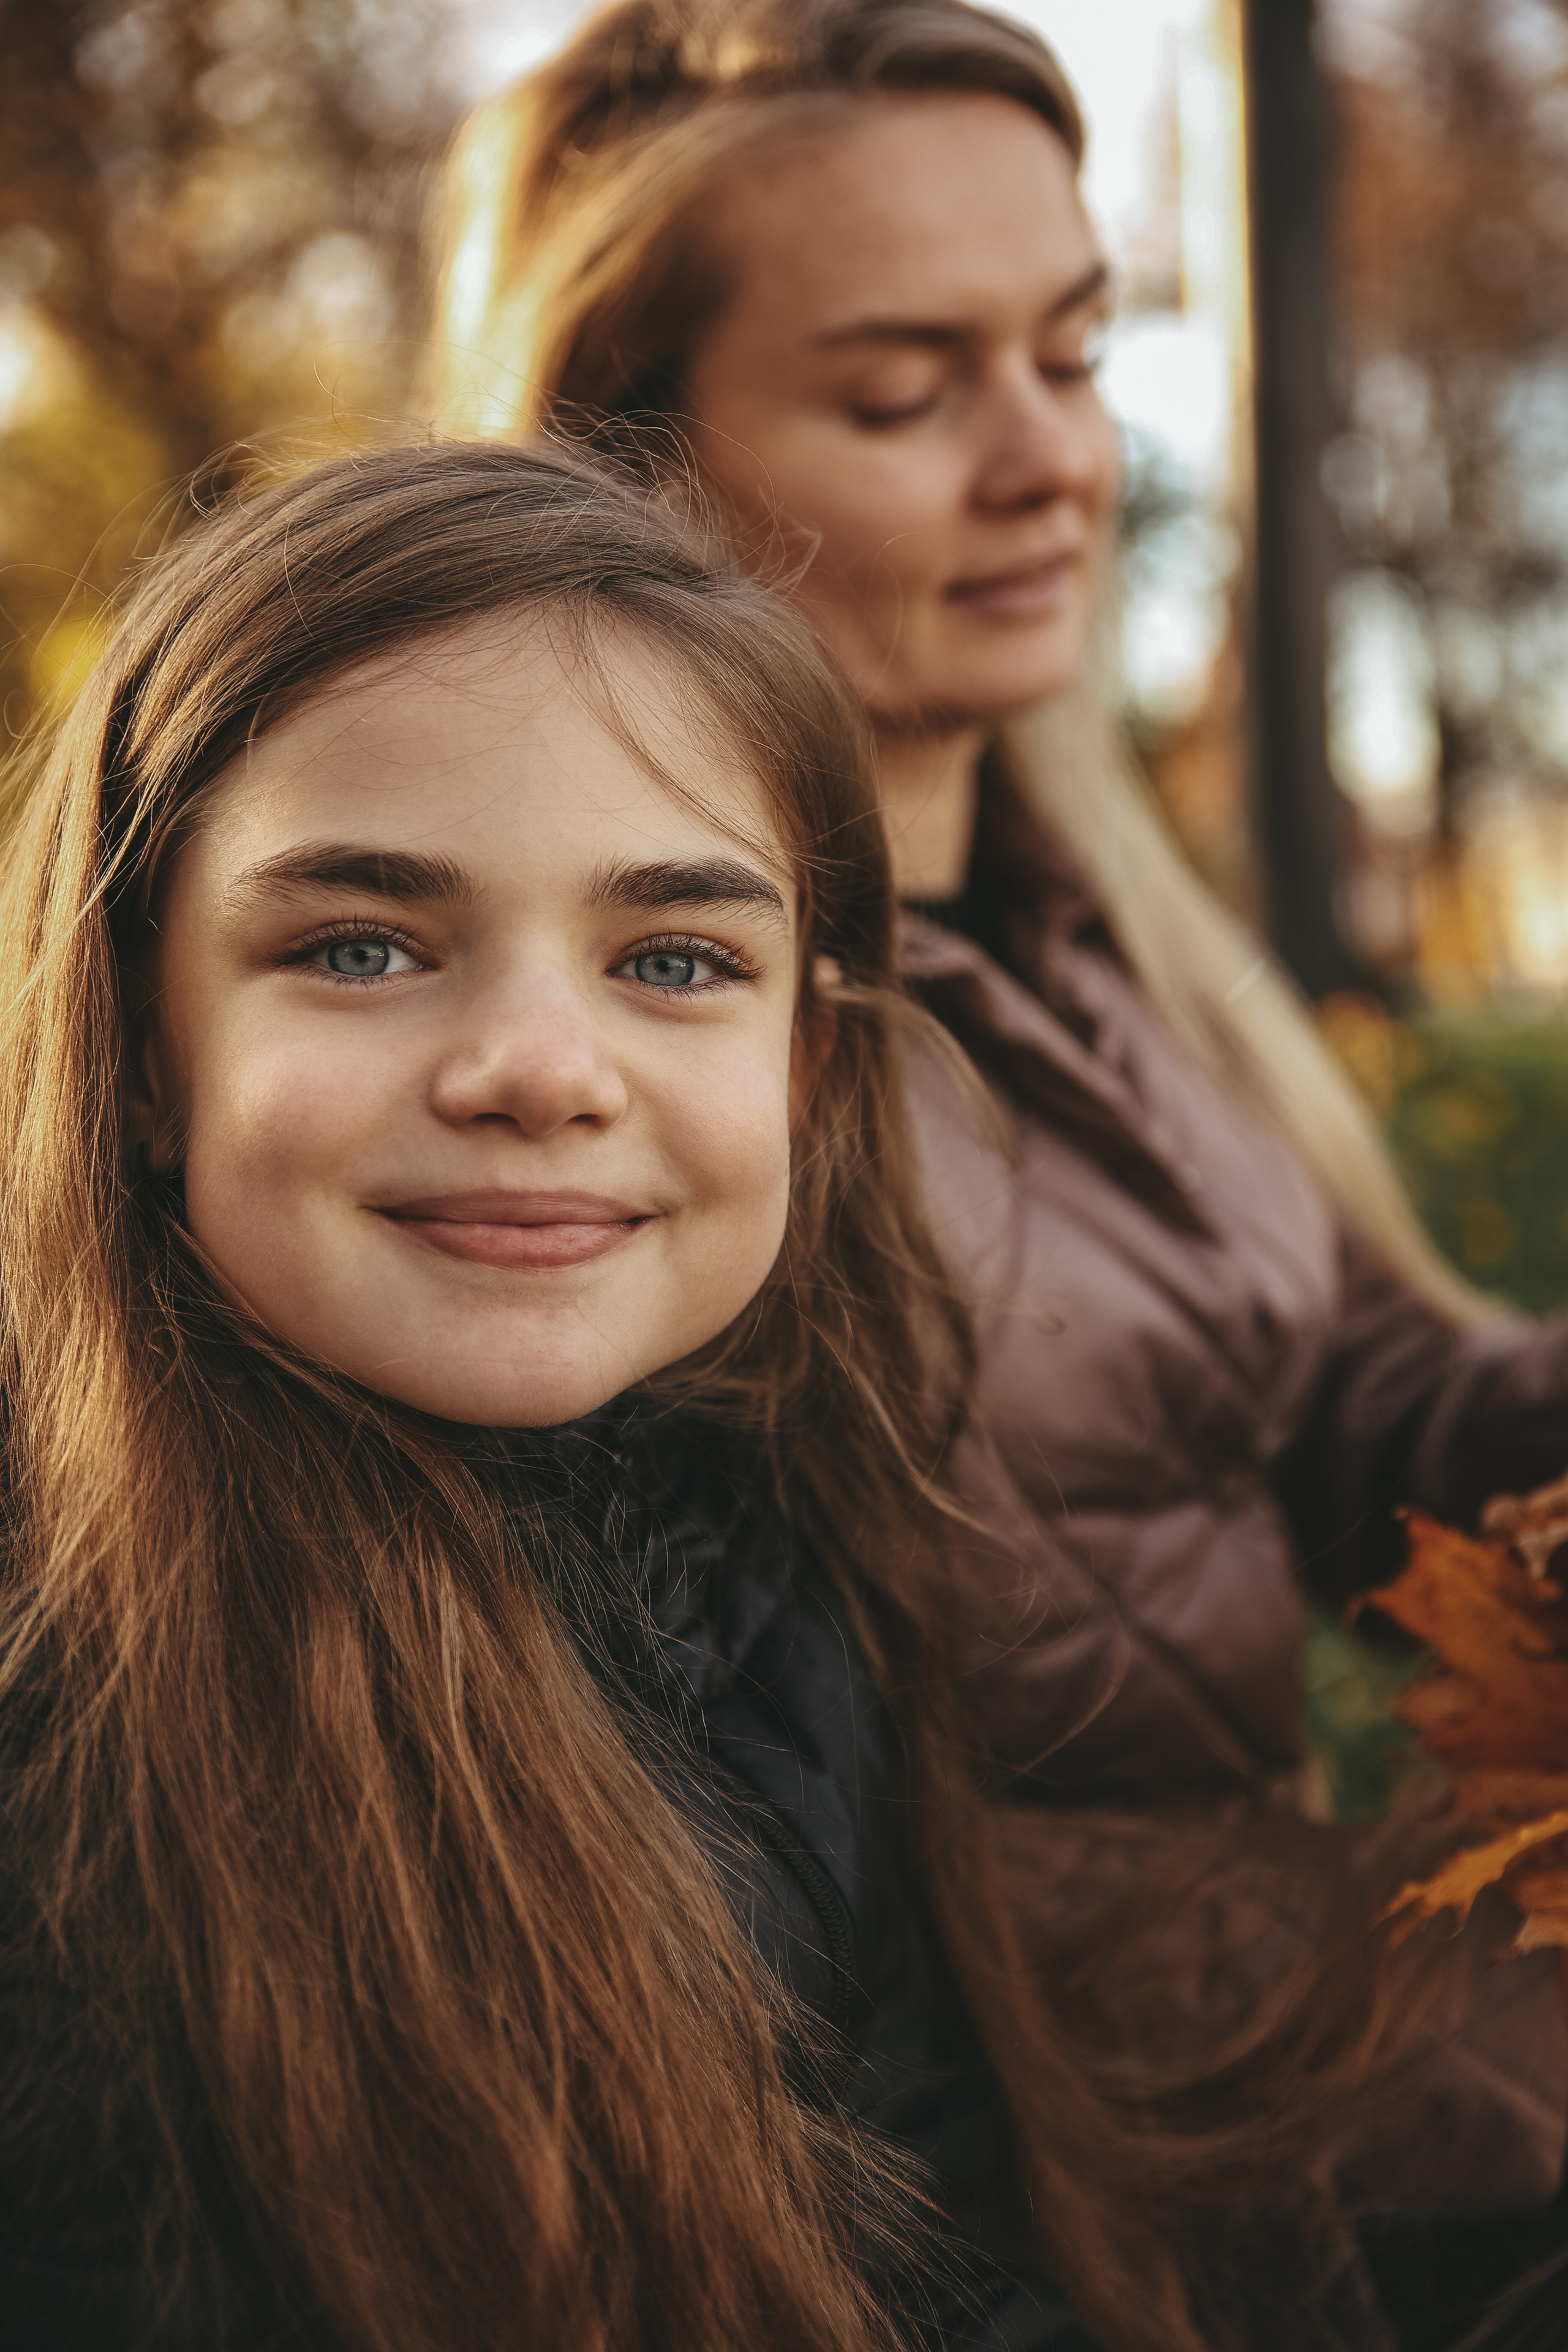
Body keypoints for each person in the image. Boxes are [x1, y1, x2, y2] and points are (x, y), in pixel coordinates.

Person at [426, 0, 1568, 2305]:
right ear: (628, 466)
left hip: (1345, 2018)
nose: (1058, 461)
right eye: (905, 390)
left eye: (1071, 350)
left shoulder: (1090, 926)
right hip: (1102, 2170)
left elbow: (1356, 1416)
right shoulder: (638, 1087)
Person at [0, 435, 1220, 2352]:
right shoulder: (63, 1737)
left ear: (808, 1079)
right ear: (139, 1049)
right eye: (360, 946)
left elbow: (959, 2256)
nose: (540, 1068)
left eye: (672, 957)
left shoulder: (792, 1561)